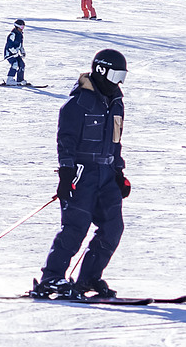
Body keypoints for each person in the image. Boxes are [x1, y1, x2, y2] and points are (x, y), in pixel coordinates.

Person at [31, 47, 129, 300]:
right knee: (75, 227)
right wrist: (66, 173)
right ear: (101, 70)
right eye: (116, 76)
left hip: (107, 174)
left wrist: (119, 172)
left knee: (113, 227)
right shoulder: (77, 104)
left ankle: (88, 278)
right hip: (82, 174)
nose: (118, 83)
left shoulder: (117, 103)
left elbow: (116, 141)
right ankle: (51, 278)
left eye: (122, 78)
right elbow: (66, 140)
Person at [3, 19, 28, 86]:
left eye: (23, 27)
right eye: (22, 27)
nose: (22, 29)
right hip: (9, 54)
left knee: (22, 64)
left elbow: (20, 45)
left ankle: (20, 80)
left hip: (16, 54)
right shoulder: (12, 35)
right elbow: (9, 46)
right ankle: (9, 80)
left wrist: (22, 52)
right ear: (17, 26)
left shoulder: (20, 35)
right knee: (15, 64)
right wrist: (14, 52)